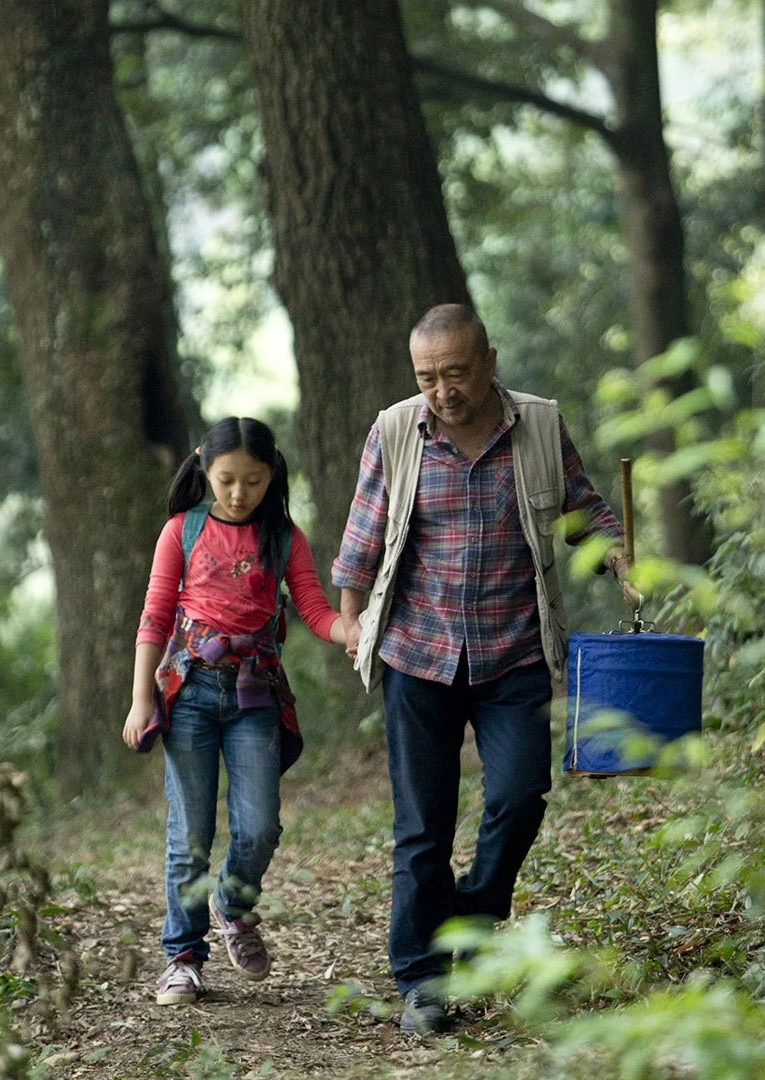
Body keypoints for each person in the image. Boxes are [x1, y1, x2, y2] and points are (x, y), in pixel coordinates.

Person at [333, 303, 641, 1037]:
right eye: (427, 377)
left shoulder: (539, 426)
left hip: (514, 653)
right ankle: (422, 982)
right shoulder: (394, 431)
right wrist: (352, 620)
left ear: (490, 362)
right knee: (422, 827)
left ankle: (471, 919)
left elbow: (584, 511)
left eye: (457, 373)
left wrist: (619, 554)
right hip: (419, 654)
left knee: (520, 793)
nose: (443, 390)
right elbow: (363, 536)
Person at [123, 415, 347, 1004]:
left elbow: (314, 608)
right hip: (189, 694)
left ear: (272, 475)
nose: (239, 493)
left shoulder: (285, 537)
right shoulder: (181, 531)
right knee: (189, 835)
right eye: (226, 480)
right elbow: (155, 616)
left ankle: (232, 902)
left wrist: (349, 629)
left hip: (256, 697)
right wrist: (141, 698)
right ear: (204, 467)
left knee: (260, 825)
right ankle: (182, 958)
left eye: (252, 481)